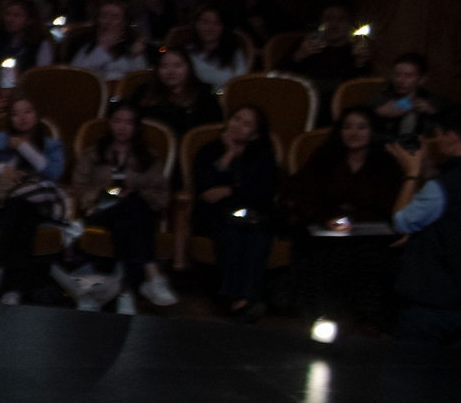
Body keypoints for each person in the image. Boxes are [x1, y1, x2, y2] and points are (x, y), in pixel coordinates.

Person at [388, 105, 461, 343]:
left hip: (429, 300)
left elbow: (402, 221)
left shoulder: (444, 186)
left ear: (452, 136)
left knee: (412, 371)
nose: (436, 140)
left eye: (439, 134)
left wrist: (412, 173)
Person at [284, 106, 407, 327]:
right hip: (326, 227)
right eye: (348, 126)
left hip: (368, 231)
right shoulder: (325, 156)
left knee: (370, 256)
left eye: (361, 127)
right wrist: (326, 219)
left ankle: (365, 321)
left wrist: (355, 220)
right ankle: (322, 317)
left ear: (372, 131)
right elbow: (301, 191)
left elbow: (389, 203)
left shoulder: (386, 163)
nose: (354, 132)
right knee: (322, 253)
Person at [54, 103, 177, 312]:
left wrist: (133, 192)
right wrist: (104, 191)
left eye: (128, 122)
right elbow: (79, 188)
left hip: (136, 213)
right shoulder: (94, 153)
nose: (122, 127)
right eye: (117, 121)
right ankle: (150, 276)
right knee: (129, 208)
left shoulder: (149, 156)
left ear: (136, 127)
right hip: (101, 209)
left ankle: (125, 290)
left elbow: (161, 195)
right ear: (109, 124)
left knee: (130, 212)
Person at [0, 96, 66, 305]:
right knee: (22, 214)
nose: (21, 118)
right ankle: (12, 288)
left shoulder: (50, 145)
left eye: (27, 112)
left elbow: (54, 173)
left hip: (31, 207)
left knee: (22, 207)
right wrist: (1, 169)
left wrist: (23, 147)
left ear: (37, 115)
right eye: (15, 114)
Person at [192, 103, 280, 321]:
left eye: (247, 124)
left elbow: (264, 190)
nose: (238, 126)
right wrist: (229, 155)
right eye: (236, 119)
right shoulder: (209, 150)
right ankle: (233, 297)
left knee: (256, 236)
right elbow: (206, 189)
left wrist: (230, 190)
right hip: (216, 215)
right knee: (230, 233)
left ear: (255, 133)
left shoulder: (262, 155)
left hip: (253, 215)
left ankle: (246, 298)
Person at [131, 47, 222, 140]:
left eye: (177, 66)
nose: (170, 71)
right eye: (164, 66)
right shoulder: (143, 93)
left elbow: (212, 131)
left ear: (188, 68)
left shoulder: (204, 97)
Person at [67, 0, 149, 86]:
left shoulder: (132, 46)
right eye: (104, 16)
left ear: (124, 22)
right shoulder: (84, 43)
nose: (108, 21)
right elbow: (75, 75)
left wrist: (136, 56)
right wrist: (104, 48)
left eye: (114, 17)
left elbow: (140, 79)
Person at [365, 53, 440, 146]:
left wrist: (433, 113)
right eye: (397, 75)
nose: (400, 80)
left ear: (422, 79)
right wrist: (379, 113)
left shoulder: (433, 102)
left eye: (408, 76)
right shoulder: (380, 99)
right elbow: (360, 121)